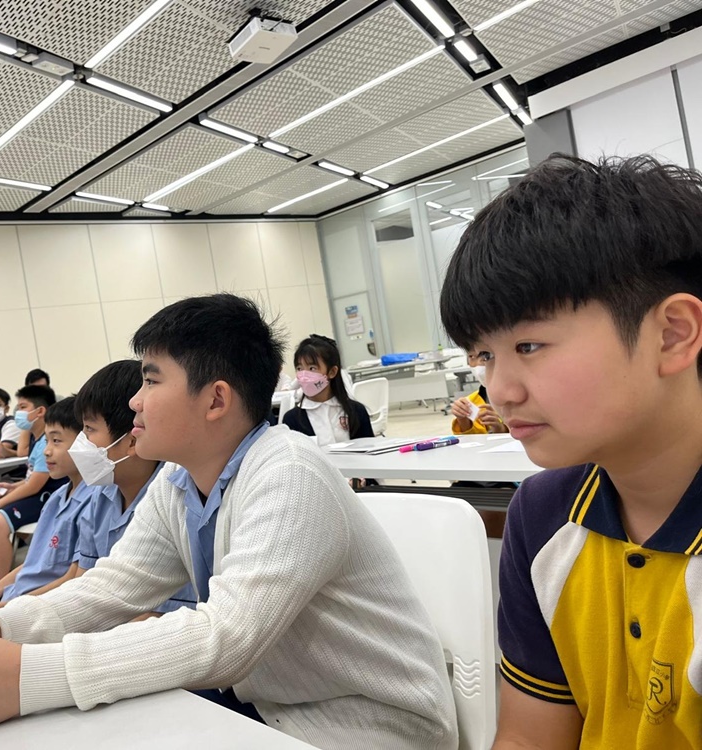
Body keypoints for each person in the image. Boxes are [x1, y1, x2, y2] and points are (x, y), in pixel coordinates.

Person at [0, 294, 457, 748]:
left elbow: (225, 637)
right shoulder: (178, 481)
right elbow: (112, 588)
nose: (135, 402)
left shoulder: (289, 473)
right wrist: (2, 626)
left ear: (215, 400)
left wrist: (25, 675)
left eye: (151, 381)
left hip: (367, 723)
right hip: (276, 703)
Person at [438, 154, 702, 749]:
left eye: (529, 345)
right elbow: (529, 739)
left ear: (672, 334)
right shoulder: (543, 514)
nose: (501, 391)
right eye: (485, 356)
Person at [64, 360, 195, 616]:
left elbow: (163, 616)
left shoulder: (176, 498)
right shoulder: (100, 498)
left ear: (132, 440)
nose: (81, 442)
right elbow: (83, 585)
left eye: (89, 429)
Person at [0, 396, 91, 604]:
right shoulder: (57, 499)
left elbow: (73, 579)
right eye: (46, 441)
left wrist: (1, 607)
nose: (46, 451)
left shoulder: (93, 502)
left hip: (36, 606)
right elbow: (32, 563)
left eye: (56, 441)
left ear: (86, 441)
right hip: (16, 597)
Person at [0, 385, 62, 593]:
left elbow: (35, 485)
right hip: (34, 491)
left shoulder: (47, 442)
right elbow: (31, 478)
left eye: (22, 407)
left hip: (45, 496)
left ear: (40, 411)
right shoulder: (36, 439)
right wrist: (13, 486)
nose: (18, 413)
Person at [282, 334, 373, 445]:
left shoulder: (356, 411)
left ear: (332, 372)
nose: (304, 375)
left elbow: (370, 449)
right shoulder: (292, 419)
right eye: (299, 368)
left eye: (312, 368)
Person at [449, 352, 508, 435]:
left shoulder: (520, 395)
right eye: (472, 357)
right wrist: (463, 420)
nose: (479, 364)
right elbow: (473, 439)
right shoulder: (472, 401)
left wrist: (502, 429)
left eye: (486, 355)